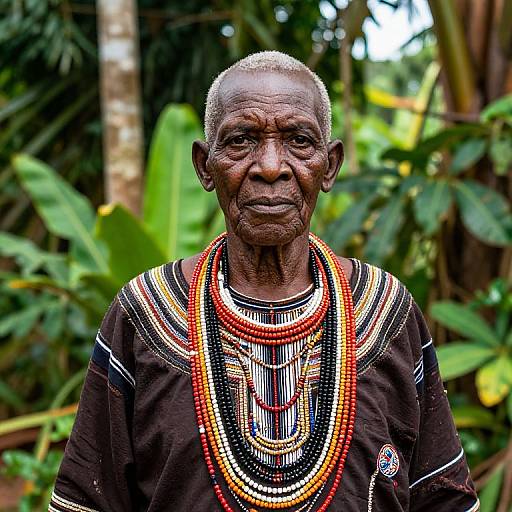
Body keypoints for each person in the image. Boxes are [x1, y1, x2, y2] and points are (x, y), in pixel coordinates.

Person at [50, 51, 479, 512]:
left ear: (329, 166)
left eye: (298, 141)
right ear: (203, 166)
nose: (271, 166)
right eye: (241, 141)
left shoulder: (388, 312)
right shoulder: (144, 313)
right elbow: (86, 500)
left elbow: (443, 500)